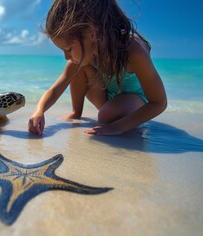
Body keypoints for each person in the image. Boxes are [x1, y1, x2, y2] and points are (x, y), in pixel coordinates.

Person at [28, 0, 167, 136]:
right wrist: (39, 111)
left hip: (136, 100)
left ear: (91, 33)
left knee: (106, 116)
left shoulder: (133, 51)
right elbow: (55, 89)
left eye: (68, 49)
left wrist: (117, 128)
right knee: (79, 66)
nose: (66, 56)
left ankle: (116, 117)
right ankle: (76, 112)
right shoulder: (87, 53)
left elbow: (159, 103)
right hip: (108, 97)